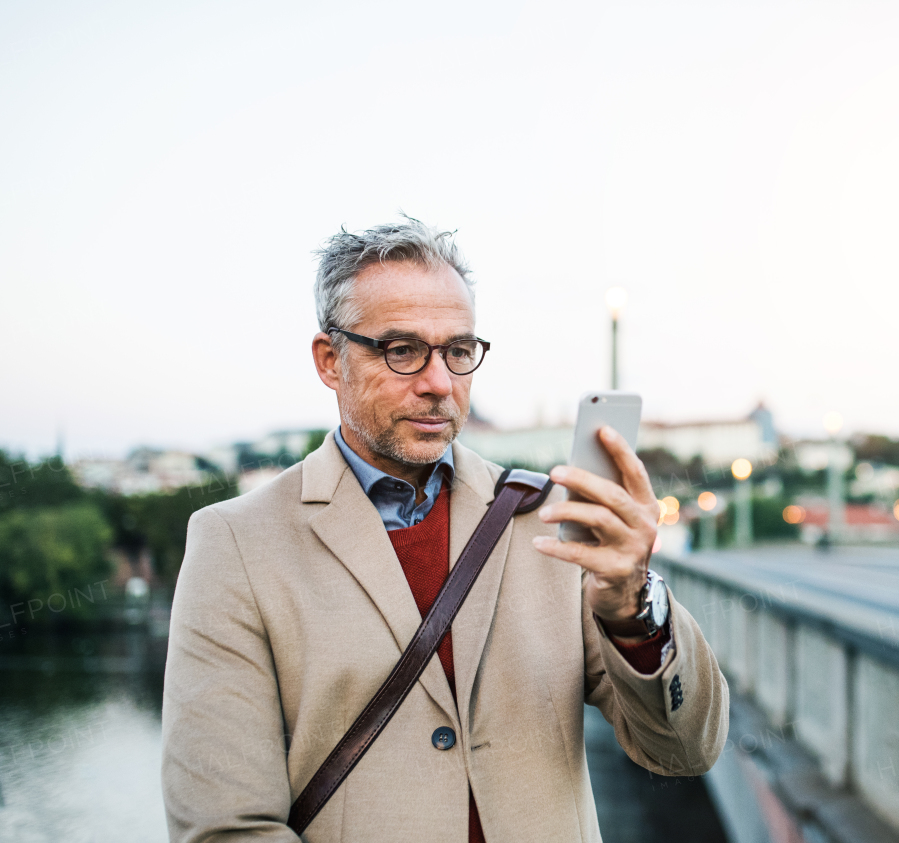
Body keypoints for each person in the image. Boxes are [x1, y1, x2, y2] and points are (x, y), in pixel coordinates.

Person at [160, 217, 729, 842]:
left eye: (458, 350)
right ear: (330, 360)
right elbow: (226, 828)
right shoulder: (236, 543)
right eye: (402, 350)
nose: (440, 383)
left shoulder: (546, 516)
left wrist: (633, 609)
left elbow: (685, 752)